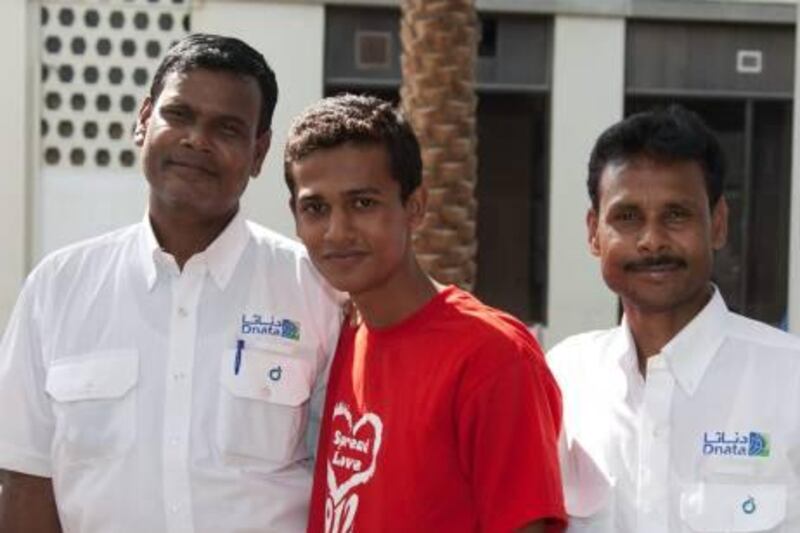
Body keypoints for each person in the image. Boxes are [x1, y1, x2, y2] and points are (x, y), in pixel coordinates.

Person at [0, 34, 341, 532]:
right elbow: (26, 479)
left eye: (227, 128)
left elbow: (348, 478)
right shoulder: (57, 289)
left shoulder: (315, 290)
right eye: (178, 115)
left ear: (259, 152)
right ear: (143, 121)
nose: (196, 140)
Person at [284, 94, 566, 533]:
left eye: (363, 203)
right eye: (316, 208)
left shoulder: (492, 356)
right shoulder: (342, 336)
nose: (337, 231)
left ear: (415, 206)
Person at [547, 105, 800, 532]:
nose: (652, 240)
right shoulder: (562, 378)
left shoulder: (789, 378)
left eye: (676, 215)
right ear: (593, 232)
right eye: (627, 217)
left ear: (717, 224)